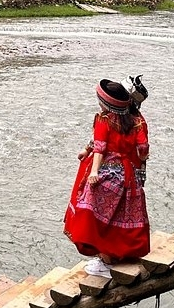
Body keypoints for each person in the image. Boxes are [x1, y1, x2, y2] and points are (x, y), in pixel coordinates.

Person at [64, 79, 151, 277]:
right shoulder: (137, 120)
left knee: (93, 217)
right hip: (128, 176)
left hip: (107, 173)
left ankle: (105, 260)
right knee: (121, 215)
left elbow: (100, 146)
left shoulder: (105, 119)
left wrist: (94, 170)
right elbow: (143, 149)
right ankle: (119, 255)